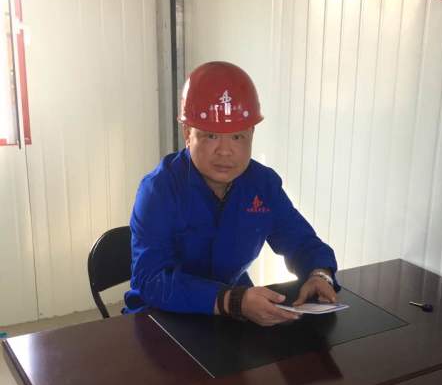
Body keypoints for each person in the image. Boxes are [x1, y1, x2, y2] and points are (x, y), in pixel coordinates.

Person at [124, 61, 339, 326]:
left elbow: (301, 241)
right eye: (211, 136)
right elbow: (150, 280)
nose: (225, 152)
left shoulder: (263, 184)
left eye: (237, 137)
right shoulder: (158, 190)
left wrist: (319, 274)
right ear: (188, 134)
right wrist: (232, 300)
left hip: (230, 315)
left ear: (252, 134)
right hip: (161, 318)